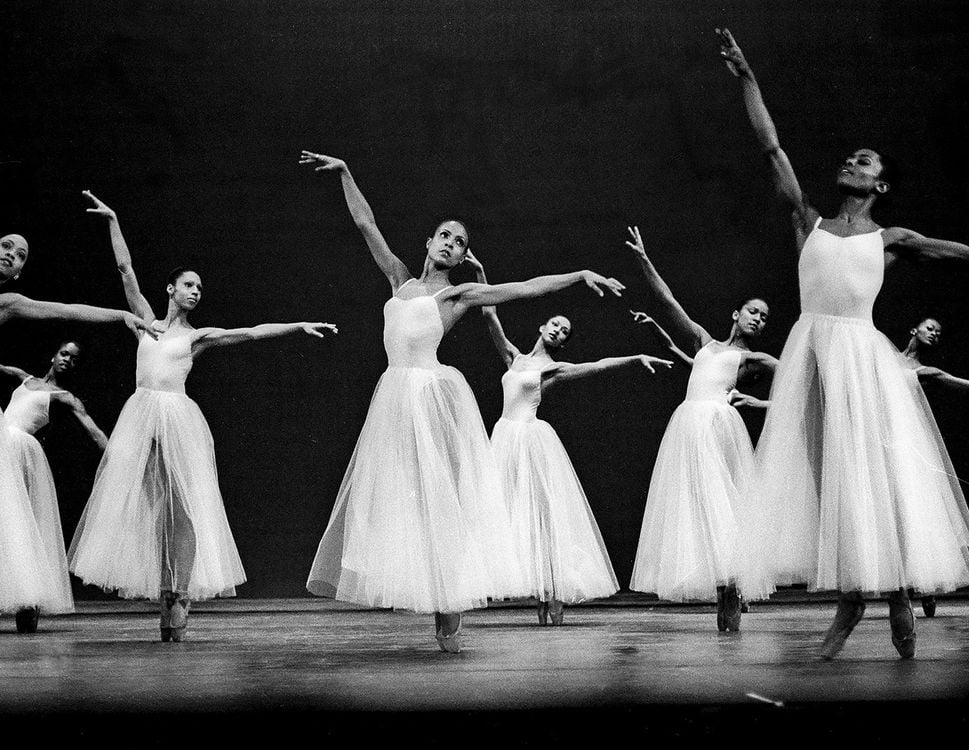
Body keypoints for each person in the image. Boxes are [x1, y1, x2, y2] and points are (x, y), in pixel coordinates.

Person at [718, 27, 969, 659]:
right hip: (812, 357)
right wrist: (748, 78)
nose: (852, 162)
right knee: (826, 478)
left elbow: (968, 253)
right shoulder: (806, 220)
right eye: (851, 157)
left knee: (875, 474)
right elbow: (771, 149)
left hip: (861, 359)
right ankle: (856, 593)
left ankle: (888, 591)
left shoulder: (889, 237)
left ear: (882, 186)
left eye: (866, 162)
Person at [299, 150, 625, 653]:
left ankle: (450, 606)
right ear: (430, 242)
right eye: (445, 237)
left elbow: (522, 289)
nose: (451, 245)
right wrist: (345, 172)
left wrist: (578, 275)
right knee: (400, 503)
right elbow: (366, 224)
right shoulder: (399, 280)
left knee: (440, 500)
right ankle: (431, 594)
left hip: (431, 397)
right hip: (393, 399)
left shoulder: (458, 296)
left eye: (461, 243)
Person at [68, 191, 337, 642]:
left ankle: (180, 592)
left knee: (184, 510)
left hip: (176, 418)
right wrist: (114, 219)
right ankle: (165, 590)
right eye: (189, 284)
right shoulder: (146, 322)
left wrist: (296, 325)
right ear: (171, 289)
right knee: (148, 508)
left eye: (200, 287)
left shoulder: (197, 337)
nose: (196, 291)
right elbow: (125, 271)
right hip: (140, 416)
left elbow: (249, 333)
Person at [468, 252, 671, 626]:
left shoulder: (552, 368)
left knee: (543, 518)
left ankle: (555, 593)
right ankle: (539, 593)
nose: (558, 331)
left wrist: (635, 356)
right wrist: (480, 270)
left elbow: (594, 366)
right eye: (556, 325)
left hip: (531, 439)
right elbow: (488, 313)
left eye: (564, 332)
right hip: (504, 439)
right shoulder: (513, 358)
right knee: (510, 516)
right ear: (542, 325)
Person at [1, 231, 157, 630]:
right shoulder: (24, 377)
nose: (11, 256)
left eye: (19, 255)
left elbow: (66, 310)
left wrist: (119, 315)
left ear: (19, 273)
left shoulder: (9, 304)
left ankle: (24, 596)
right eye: (6, 247)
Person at [624, 226, 775, 631]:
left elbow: (795, 378)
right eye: (753, 311)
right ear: (736, 314)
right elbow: (668, 301)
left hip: (715, 426)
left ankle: (730, 583)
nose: (758, 319)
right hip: (687, 426)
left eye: (764, 317)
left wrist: (765, 402)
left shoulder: (753, 357)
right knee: (694, 505)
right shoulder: (705, 343)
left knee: (721, 501)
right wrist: (643, 259)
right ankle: (724, 582)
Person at [0, 339, 108, 632]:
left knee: (21, 521)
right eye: (64, 354)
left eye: (73, 360)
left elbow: (94, 431)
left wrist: (119, 460)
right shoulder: (25, 379)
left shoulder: (64, 396)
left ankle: (28, 602)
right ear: (53, 355)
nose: (67, 361)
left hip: (21, 449)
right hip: (2, 442)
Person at [900, 317, 969, 617]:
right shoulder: (885, 356)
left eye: (939, 333)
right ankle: (902, 589)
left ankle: (927, 585)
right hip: (878, 440)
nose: (934, 334)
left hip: (909, 444)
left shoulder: (926, 372)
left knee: (918, 511)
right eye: (929, 328)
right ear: (913, 329)